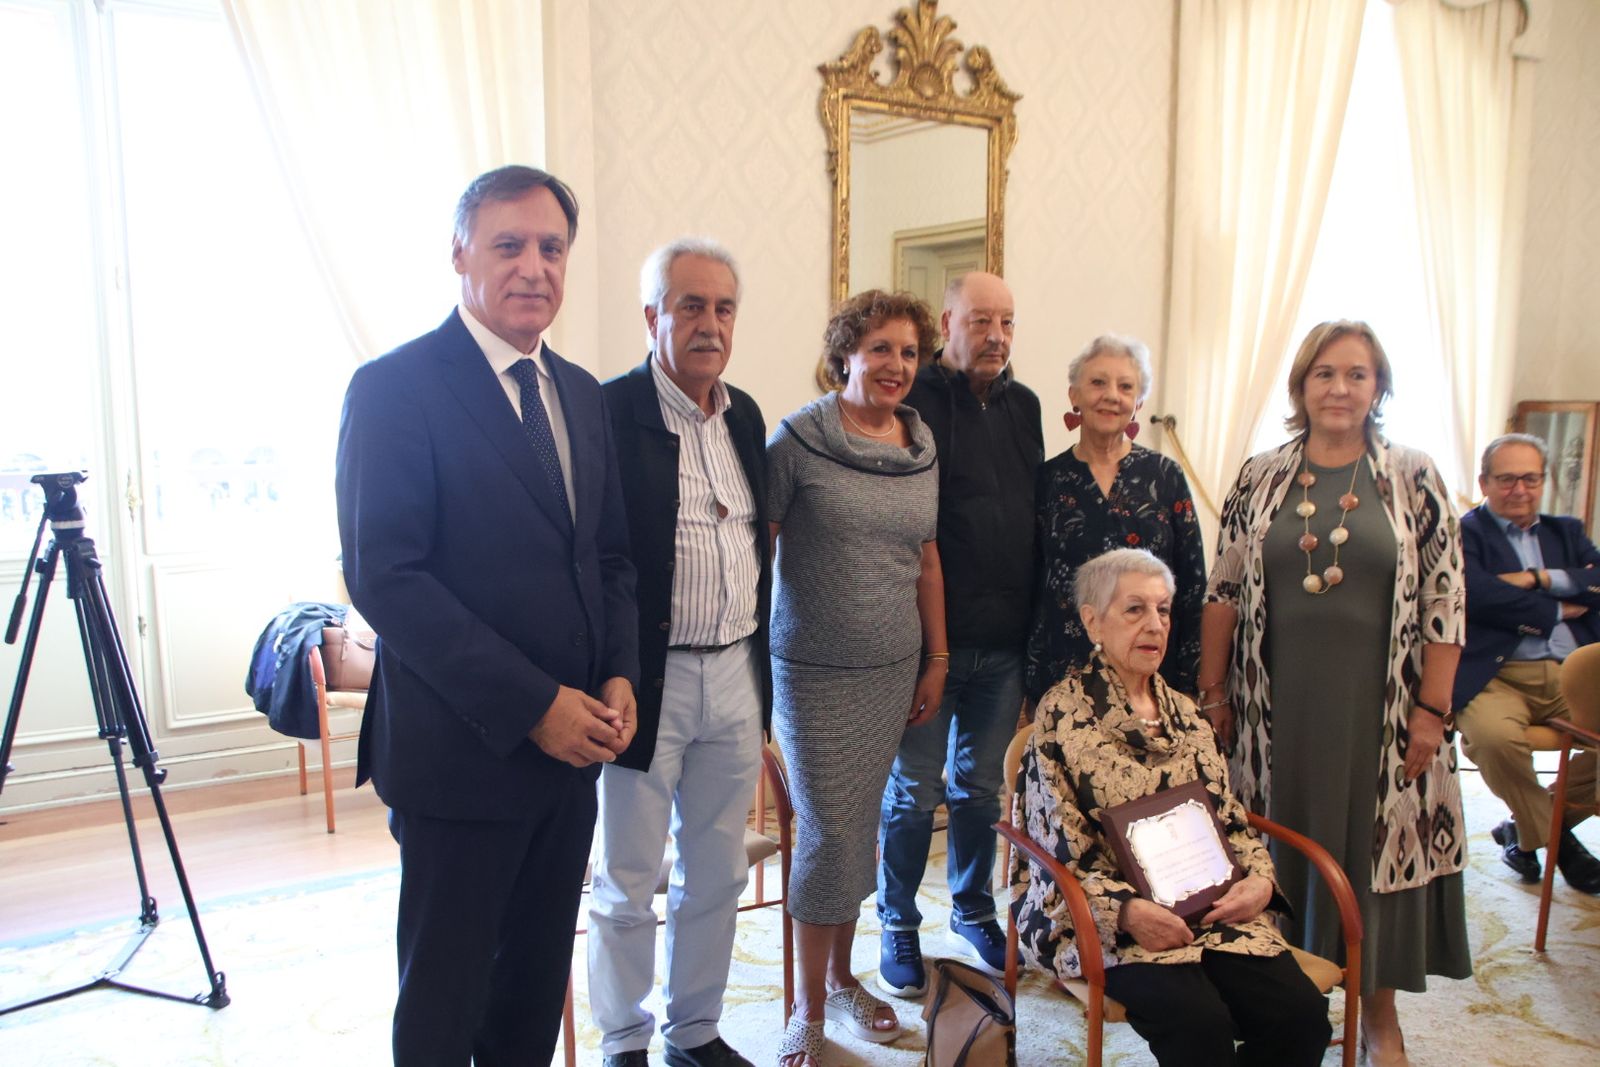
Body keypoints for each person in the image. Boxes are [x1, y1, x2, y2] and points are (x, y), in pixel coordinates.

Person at [335, 165, 639, 1066]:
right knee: (444, 999)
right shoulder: (394, 389)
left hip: (572, 756)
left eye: (551, 248)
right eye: (509, 244)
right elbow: (386, 577)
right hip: (461, 755)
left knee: (532, 990)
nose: (533, 266)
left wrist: (617, 670)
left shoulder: (580, 392)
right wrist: (532, 704)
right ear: (461, 253)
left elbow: (611, 556)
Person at [1198, 320, 1469, 1067]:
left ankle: (1376, 1013)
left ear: (1378, 386)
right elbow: (1220, 590)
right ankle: (1290, 1005)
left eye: (1356, 373)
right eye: (1324, 372)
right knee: (1274, 848)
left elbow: (1447, 600)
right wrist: (1214, 694)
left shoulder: (1413, 474)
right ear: (1301, 385)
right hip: (1272, 711)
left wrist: (1431, 712)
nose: (1339, 387)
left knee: (1367, 852)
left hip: (1379, 717)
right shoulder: (1259, 475)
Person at [1011, 549, 1331, 1067]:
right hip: (1108, 917)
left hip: (1212, 906)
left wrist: (1260, 881)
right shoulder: (1062, 715)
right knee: (1198, 1026)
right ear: (1093, 620)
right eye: (1134, 610)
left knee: (1300, 1019)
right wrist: (1128, 912)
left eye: (1163, 610)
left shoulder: (1186, 712)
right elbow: (1058, 847)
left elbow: (1230, 818)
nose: (1155, 625)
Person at [589, 238, 770, 1067]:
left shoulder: (747, 415)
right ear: (653, 315)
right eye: (690, 306)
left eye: (723, 308)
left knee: (719, 868)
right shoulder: (609, 413)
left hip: (733, 670)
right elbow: (595, 557)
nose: (709, 324)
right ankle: (624, 1036)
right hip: (646, 679)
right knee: (631, 873)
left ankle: (693, 1030)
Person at [767, 290, 948, 1067]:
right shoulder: (798, 439)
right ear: (846, 351)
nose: (896, 366)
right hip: (811, 671)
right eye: (880, 349)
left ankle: (843, 977)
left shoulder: (921, 444)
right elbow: (759, 546)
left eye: (908, 352)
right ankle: (807, 1011)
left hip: (892, 667)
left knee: (858, 832)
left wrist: (936, 656)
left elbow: (927, 559)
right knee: (829, 835)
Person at [876, 271, 1043, 995]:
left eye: (1006, 321)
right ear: (947, 322)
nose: (996, 335)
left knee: (978, 789)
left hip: (1004, 642)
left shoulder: (1026, 405)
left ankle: (974, 909)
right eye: (980, 320)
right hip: (925, 643)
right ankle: (897, 923)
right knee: (913, 790)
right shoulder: (912, 399)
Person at [1024, 335, 1205, 706]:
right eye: (1098, 383)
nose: (1111, 395)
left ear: (1138, 403)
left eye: (1125, 386)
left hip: (1150, 671)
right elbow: (1031, 580)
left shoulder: (1164, 476)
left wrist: (1189, 679)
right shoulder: (1047, 479)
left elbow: (1191, 583)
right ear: (1074, 394)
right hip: (1062, 670)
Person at [1454, 432, 1600, 892]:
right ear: (1485, 482)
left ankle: (1526, 829)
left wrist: (1535, 577)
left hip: (1568, 674)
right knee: (1494, 740)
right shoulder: (1464, 532)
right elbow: (1475, 595)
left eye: (1530, 478)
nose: (1520, 489)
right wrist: (1556, 604)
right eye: (1507, 479)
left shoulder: (1566, 531)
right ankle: (1561, 845)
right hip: (1495, 675)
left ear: (1543, 481)